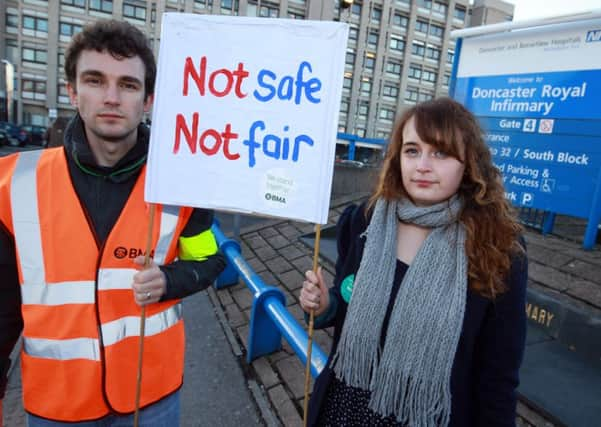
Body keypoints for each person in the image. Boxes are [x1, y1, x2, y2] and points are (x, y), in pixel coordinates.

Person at [0, 20, 225, 426]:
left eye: (128, 85)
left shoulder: (181, 183)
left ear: (148, 100)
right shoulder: (14, 185)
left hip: (151, 399)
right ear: (73, 91)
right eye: (95, 80)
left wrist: (170, 281)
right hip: (57, 405)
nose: (111, 97)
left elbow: (209, 261)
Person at [299, 97, 527, 427]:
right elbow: (346, 304)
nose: (422, 165)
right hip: (344, 408)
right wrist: (324, 307)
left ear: (468, 164)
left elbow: (498, 377)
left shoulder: (497, 248)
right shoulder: (365, 220)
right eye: (412, 150)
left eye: (441, 152)